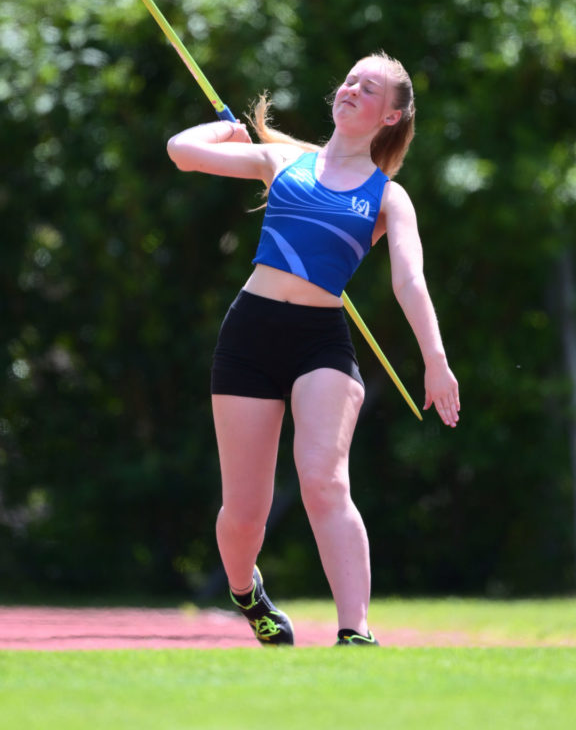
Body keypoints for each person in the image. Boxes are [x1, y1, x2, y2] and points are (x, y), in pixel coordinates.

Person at [167, 51, 460, 647]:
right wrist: (226, 132)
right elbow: (181, 151)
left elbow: (409, 280)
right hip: (249, 334)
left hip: (320, 341)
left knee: (324, 479)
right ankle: (246, 591)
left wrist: (435, 359)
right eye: (349, 80)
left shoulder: (388, 196)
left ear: (392, 115)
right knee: (244, 511)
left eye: (368, 88)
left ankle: (356, 632)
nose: (350, 89)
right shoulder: (283, 160)